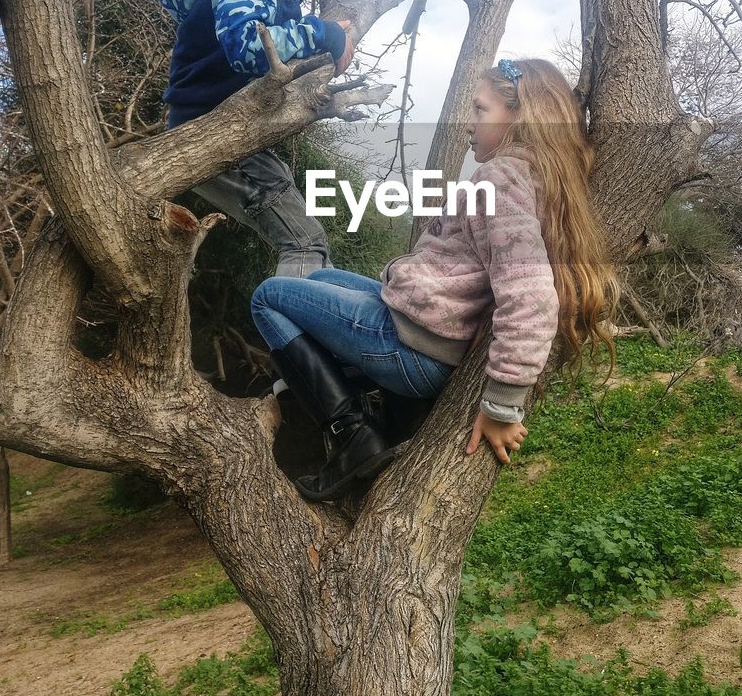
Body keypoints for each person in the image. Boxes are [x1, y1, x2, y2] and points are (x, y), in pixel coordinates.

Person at [250, 58, 618, 502]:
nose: (468, 123)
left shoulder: (500, 180)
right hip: (423, 325)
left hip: (415, 347)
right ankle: (341, 384)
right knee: (324, 275)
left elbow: (531, 296)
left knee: (268, 298)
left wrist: (502, 404)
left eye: (480, 111)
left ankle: (351, 433)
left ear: (520, 117)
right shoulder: (539, 178)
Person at [158, 0, 355, 278]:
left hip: (216, 122)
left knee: (302, 226)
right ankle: (296, 334)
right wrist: (324, 32)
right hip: (206, 128)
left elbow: (277, 4)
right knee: (303, 241)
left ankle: (320, 316)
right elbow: (249, 48)